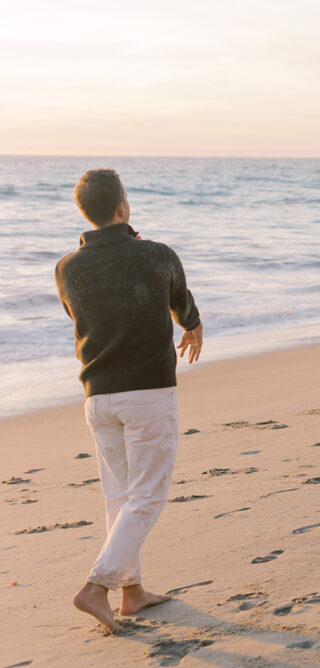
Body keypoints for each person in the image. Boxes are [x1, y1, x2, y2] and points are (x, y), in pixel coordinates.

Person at [55, 169, 203, 634]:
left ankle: (132, 591)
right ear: (123, 207)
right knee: (148, 496)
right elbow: (179, 302)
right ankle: (96, 587)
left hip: (97, 396)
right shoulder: (155, 254)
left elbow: (83, 314)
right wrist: (193, 326)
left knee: (119, 497)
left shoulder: (66, 267)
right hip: (147, 392)